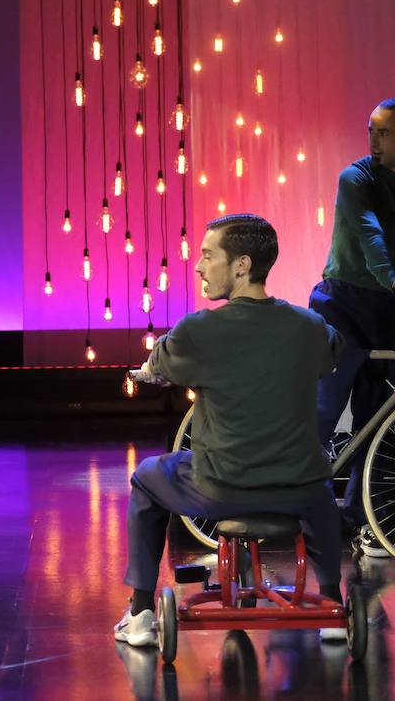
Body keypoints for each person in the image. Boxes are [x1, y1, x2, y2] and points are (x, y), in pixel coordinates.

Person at [117, 214, 343, 647]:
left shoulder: (199, 330)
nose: (199, 267)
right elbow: (332, 348)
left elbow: (161, 361)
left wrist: (158, 367)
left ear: (241, 265)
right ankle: (331, 603)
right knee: (320, 486)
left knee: (147, 477)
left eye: (207, 256)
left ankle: (141, 612)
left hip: (222, 488)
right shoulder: (309, 327)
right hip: (297, 490)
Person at [310, 97, 395, 558]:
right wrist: (393, 277)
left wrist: (394, 289)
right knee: (324, 410)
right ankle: (300, 507)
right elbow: (369, 233)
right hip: (342, 302)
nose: (372, 140)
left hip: (385, 308)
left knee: (376, 416)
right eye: (369, 130)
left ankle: (362, 522)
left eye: (383, 133)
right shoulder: (356, 178)